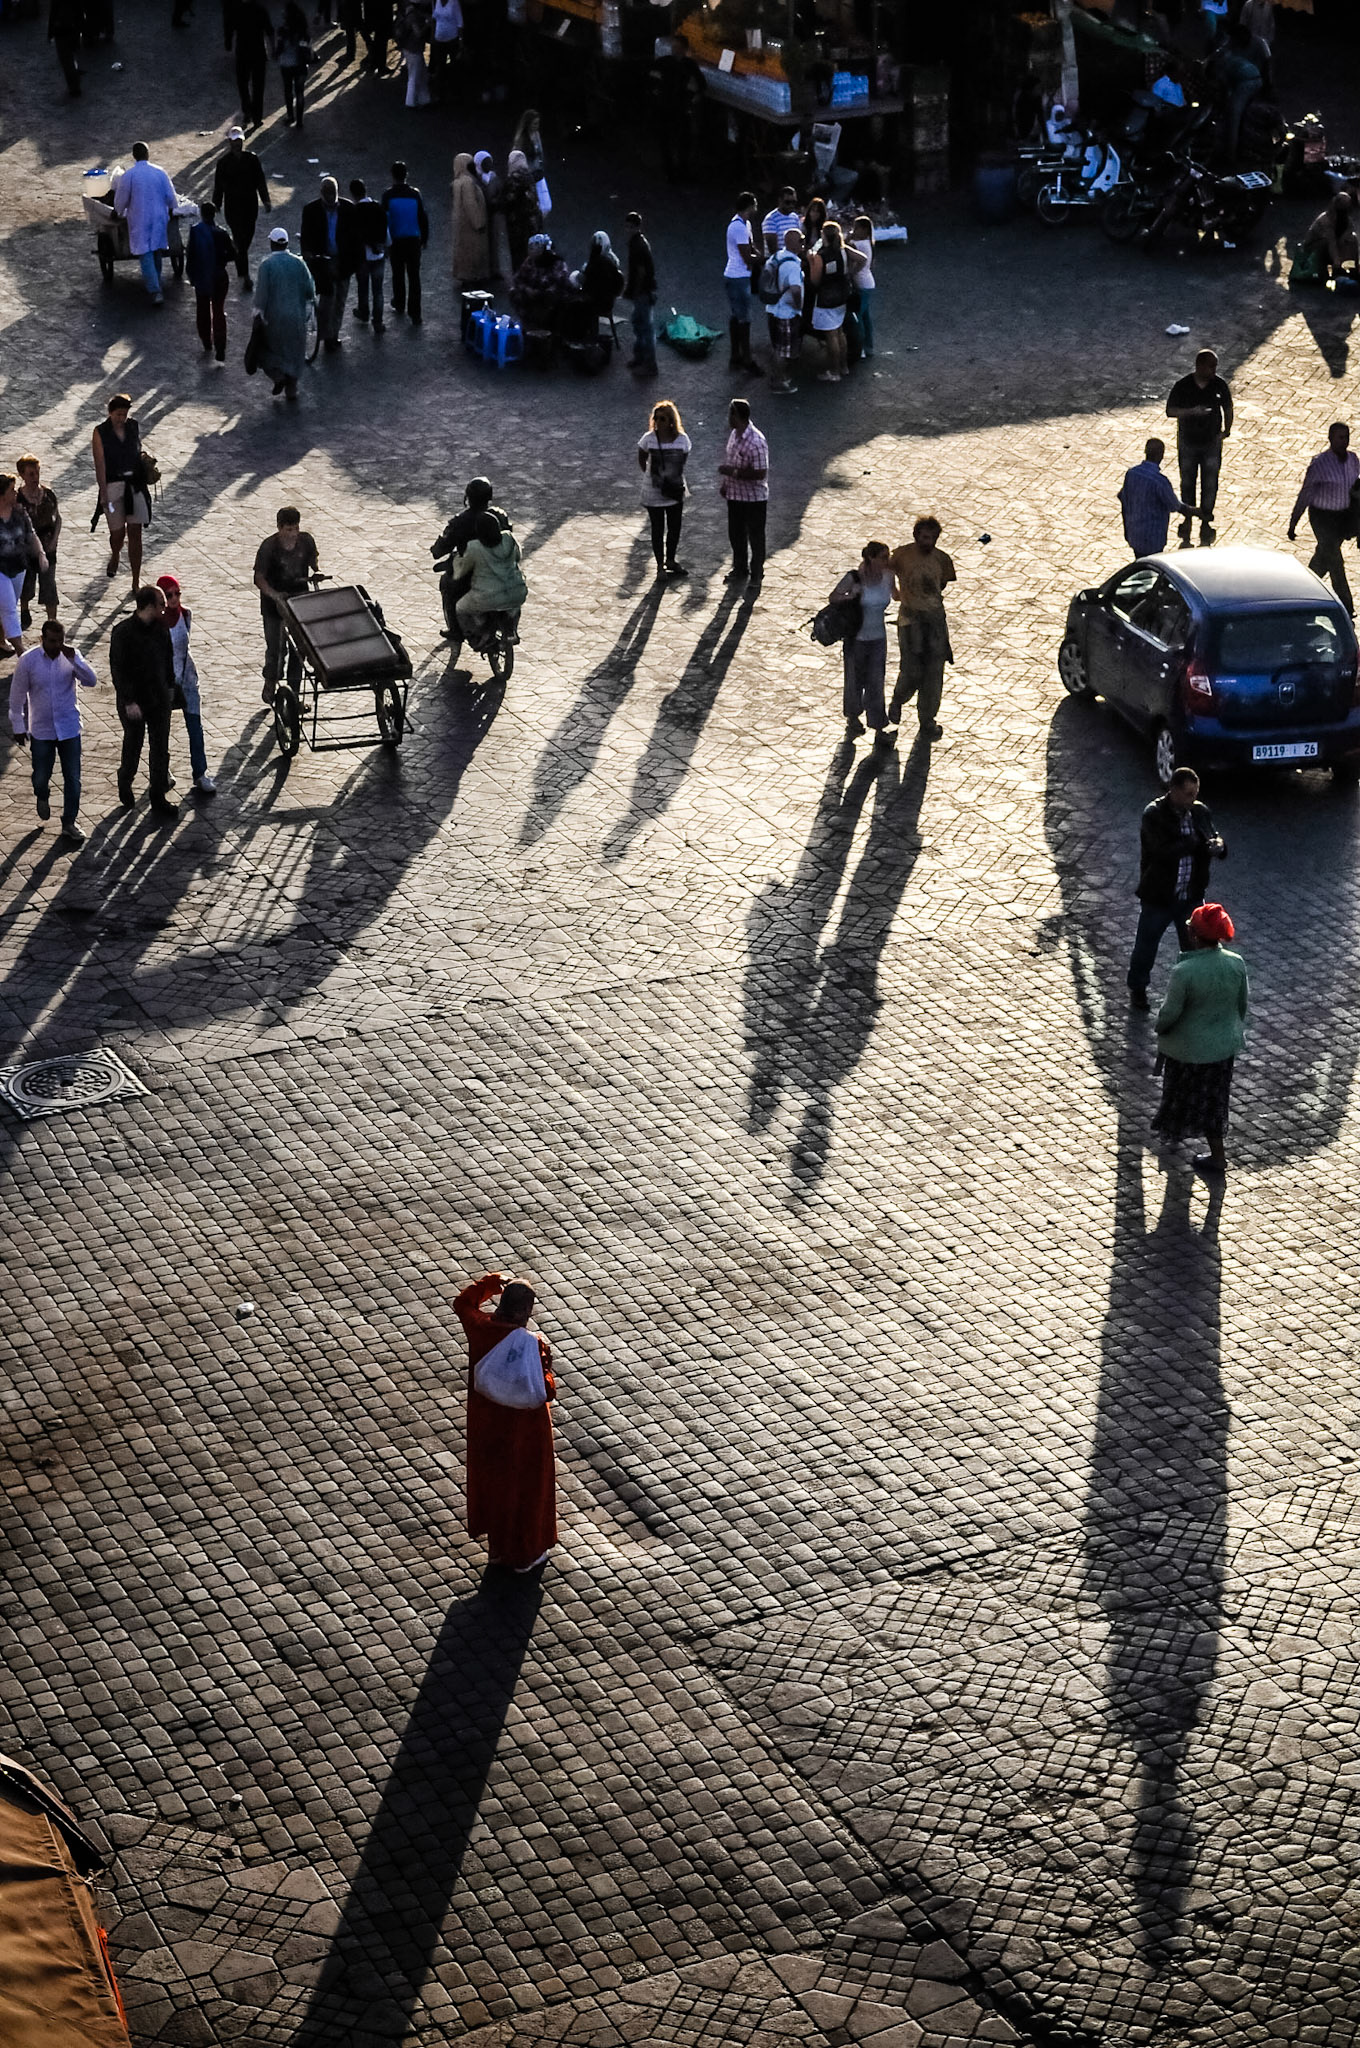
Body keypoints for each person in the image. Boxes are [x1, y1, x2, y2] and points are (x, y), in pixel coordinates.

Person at [453, 1272, 557, 1573]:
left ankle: (498, 1549)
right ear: (527, 1311)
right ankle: (524, 1554)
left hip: (487, 1425)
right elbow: (546, 1389)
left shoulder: (481, 1329)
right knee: (526, 1490)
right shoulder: (532, 1345)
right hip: (526, 1432)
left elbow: (463, 1303)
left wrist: (490, 1282)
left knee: (497, 1486)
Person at [1151, 900, 1248, 1178]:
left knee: (1178, 1093)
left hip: (1188, 1050)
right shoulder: (1236, 963)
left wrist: (1159, 1026)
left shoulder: (1185, 972)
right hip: (1222, 1049)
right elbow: (1242, 1005)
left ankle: (1175, 1137)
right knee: (1214, 1101)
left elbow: (1170, 1013)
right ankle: (1217, 1155)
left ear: (1194, 935)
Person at [1126, 766, 1227, 1007]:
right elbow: (1159, 852)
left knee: (1194, 949)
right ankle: (1138, 988)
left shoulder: (1200, 812)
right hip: (1159, 896)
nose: (1193, 799)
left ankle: (1194, 991)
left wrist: (1219, 846)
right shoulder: (1154, 815)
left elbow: (1213, 835)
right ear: (1174, 791)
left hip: (1190, 896)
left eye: (1196, 793)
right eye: (1188, 794)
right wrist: (1193, 842)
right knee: (1146, 946)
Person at [9, 622, 98, 846]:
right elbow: (17, 695)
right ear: (42, 639)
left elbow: (91, 680)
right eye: (51, 641)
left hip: (69, 728)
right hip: (42, 729)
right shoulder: (28, 661)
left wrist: (74, 659)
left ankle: (69, 822)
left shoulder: (71, 657)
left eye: (60, 641)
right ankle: (42, 793)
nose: (56, 646)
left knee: (73, 779)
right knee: (41, 775)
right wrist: (18, 726)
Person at [109, 586, 177, 819]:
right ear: (148, 606)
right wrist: (128, 701)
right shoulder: (122, 632)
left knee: (160, 750)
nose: (165, 607)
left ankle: (158, 797)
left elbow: (168, 660)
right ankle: (125, 780)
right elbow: (118, 671)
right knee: (133, 745)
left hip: (158, 698)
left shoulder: (161, 629)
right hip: (134, 701)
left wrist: (170, 689)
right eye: (161, 603)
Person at [889, 516, 955, 740]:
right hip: (910, 622)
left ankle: (927, 720)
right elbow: (887, 571)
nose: (929, 542)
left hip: (935, 622)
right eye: (925, 537)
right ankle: (898, 700)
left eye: (933, 538)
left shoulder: (942, 560)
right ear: (916, 536)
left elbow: (942, 585)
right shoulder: (901, 556)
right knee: (912, 669)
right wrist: (896, 593)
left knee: (934, 673)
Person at [1288, 422, 1359, 616]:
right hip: (1322, 517)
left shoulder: (1353, 460)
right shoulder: (1320, 464)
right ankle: (1347, 606)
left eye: (1346, 437)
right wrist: (1294, 521)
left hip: (1342, 518)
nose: (1344, 442)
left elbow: (1354, 489)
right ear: (1330, 439)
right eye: (1340, 438)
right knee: (1335, 560)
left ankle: (1300, 592)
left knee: (1323, 558)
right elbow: (1306, 493)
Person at [830, 541, 895, 747]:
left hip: (878, 638)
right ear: (871, 558)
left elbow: (897, 595)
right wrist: (850, 595)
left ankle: (878, 724)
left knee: (876, 681)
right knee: (855, 680)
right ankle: (853, 717)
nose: (887, 561)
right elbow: (833, 598)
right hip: (856, 638)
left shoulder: (888, 576)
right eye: (883, 557)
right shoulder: (854, 577)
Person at [431, 478, 510, 645]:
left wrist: (436, 551)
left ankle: (455, 631)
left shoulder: (460, 521)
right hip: (498, 570)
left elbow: (444, 544)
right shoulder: (500, 516)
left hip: (469, 573)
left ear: (468, 496)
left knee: (448, 587)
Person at [155, 574, 215, 795]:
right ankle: (163, 771)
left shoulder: (186, 615)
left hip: (187, 677)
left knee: (195, 726)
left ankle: (200, 773)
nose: (173, 599)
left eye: (176, 593)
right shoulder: (157, 623)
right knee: (162, 730)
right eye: (168, 595)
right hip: (165, 681)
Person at [1167, 348, 1233, 543]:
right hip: (1188, 442)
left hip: (1211, 442)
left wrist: (1226, 430)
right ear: (1200, 366)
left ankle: (1205, 518)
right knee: (1187, 481)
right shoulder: (1183, 386)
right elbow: (1170, 410)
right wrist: (1191, 412)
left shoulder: (1219, 385)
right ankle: (1187, 517)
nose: (1214, 370)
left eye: (1215, 366)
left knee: (1210, 482)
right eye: (1211, 366)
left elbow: (1228, 408)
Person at [253, 506, 319, 702]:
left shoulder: (306, 541)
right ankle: (271, 681)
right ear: (279, 528)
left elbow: (313, 560)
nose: (293, 534)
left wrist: (316, 571)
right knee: (276, 648)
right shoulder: (268, 548)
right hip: (274, 606)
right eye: (288, 529)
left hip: (298, 602)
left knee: (299, 649)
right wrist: (275, 595)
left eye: (295, 529)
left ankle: (294, 694)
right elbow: (259, 578)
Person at [92, 394, 150, 589]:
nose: (121, 418)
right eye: (118, 414)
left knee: (136, 533)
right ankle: (116, 553)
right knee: (117, 534)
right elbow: (100, 464)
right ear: (110, 413)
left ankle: (135, 580)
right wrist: (103, 492)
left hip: (134, 484)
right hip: (113, 486)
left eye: (124, 414)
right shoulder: (100, 432)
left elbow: (137, 449)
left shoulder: (133, 426)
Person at [253, 226, 316, 399]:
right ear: (287, 243)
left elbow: (261, 295)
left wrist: (258, 316)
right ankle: (292, 389)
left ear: (271, 244)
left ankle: (278, 376)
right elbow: (310, 290)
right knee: (295, 353)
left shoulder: (266, 265)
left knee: (269, 352)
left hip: (274, 320)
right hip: (296, 317)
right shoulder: (299, 263)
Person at [114, 143, 178, 305]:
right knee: (156, 250)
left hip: (140, 218)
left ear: (134, 156)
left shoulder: (129, 175)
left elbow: (121, 200)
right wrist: (171, 210)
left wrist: (117, 211)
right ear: (148, 154)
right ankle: (156, 283)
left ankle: (155, 290)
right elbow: (171, 197)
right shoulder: (160, 172)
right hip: (158, 217)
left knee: (146, 253)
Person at [718, 397, 769, 592]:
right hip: (735, 496)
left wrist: (733, 473)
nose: (728, 417)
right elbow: (731, 459)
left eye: (730, 413)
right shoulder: (734, 435)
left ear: (737, 416)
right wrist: (726, 484)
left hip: (754, 499)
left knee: (756, 538)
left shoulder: (756, 442)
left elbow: (760, 473)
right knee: (736, 535)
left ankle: (756, 574)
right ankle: (740, 568)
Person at [213, 127, 271, 292]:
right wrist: (216, 204)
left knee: (247, 236)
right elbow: (218, 186)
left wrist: (265, 199)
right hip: (233, 207)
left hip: (250, 206)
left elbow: (260, 180)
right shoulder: (223, 164)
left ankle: (235, 251)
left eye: (239, 141)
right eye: (234, 141)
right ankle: (245, 275)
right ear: (230, 142)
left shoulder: (252, 159)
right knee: (240, 238)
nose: (237, 144)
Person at [637, 399, 690, 580]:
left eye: (663, 419)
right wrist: (653, 476)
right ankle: (660, 565)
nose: (658, 422)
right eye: (656, 418)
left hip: (674, 490)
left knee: (674, 528)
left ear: (671, 421)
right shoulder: (649, 439)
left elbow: (683, 460)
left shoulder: (682, 440)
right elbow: (642, 457)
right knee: (657, 529)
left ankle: (671, 560)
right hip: (654, 492)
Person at [455, 512, 527, 643]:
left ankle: (479, 633)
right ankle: (511, 630)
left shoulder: (474, 547)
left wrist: (456, 561)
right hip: (515, 592)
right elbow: (517, 557)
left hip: (485, 597)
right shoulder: (509, 538)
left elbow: (462, 570)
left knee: (460, 608)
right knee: (514, 607)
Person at [807, 220, 864, 384]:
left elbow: (815, 281)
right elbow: (863, 258)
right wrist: (850, 273)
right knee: (840, 333)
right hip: (843, 296)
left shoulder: (821, 256)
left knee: (831, 336)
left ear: (823, 236)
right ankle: (844, 366)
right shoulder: (843, 250)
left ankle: (834, 371)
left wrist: (811, 262)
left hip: (826, 299)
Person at [1119, 437, 1197, 556]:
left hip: (1134, 533)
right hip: (1153, 538)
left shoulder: (1131, 473)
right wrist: (1196, 512)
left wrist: (1126, 527)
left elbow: (1123, 500)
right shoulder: (1160, 482)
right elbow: (1175, 505)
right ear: (1161, 455)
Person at [301, 175, 353, 350]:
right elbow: (306, 237)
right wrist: (309, 255)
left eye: (333, 194)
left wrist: (352, 263)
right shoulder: (310, 210)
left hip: (343, 262)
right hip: (322, 262)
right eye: (328, 194)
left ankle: (333, 335)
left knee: (340, 300)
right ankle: (326, 335)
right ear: (322, 193)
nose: (331, 198)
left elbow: (355, 238)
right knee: (328, 300)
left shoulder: (348, 209)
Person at [0, 477, 44, 662]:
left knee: (7, 605)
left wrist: (41, 554)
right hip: (0, 569)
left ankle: (1, 638)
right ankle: (22, 653)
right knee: (9, 608)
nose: (15, 493)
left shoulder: (20, 514)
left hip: (18, 567)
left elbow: (31, 535)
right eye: (11, 490)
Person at [186, 200, 235, 364]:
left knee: (203, 309)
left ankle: (206, 341)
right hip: (219, 276)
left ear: (202, 213)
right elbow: (233, 254)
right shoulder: (222, 232)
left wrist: (191, 275)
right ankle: (220, 346)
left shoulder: (195, 231)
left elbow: (191, 255)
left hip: (201, 276)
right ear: (214, 214)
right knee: (219, 310)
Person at [16, 458, 60, 631]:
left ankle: (52, 621)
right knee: (27, 583)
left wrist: (54, 540)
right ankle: (25, 608)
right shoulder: (18, 498)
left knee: (49, 584)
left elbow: (58, 518)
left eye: (37, 472)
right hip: (27, 550)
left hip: (47, 547)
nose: (35, 477)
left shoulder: (48, 495)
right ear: (22, 475)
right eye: (31, 474)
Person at [652, 32, 702, 182]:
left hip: (680, 107)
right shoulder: (664, 62)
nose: (675, 49)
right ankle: (669, 170)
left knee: (683, 141)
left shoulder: (690, 65)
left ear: (685, 49)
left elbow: (700, 85)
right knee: (666, 140)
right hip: (665, 105)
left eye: (678, 47)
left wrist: (693, 97)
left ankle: (682, 170)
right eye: (673, 46)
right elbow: (651, 76)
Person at [382, 160, 428, 324]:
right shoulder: (415, 194)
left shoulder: (388, 195)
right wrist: (424, 238)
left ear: (392, 176)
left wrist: (384, 243)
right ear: (406, 175)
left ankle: (399, 302)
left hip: (396, 241)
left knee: (398, 274)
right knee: (414, 277)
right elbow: (422, 217)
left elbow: (384, 221)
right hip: (413, 240)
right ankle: (416, 313)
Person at [723, 191, 762, 376]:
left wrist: (756, 253)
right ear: (750, 206)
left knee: (736, 316)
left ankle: (735, 355)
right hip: (739, 276)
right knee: (744, 319)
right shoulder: (738, 227)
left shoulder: (743, 223)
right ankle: (747, 359)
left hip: (737, 275)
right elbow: (747, 256)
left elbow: (751, 245)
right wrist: (761, 259)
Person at [763, 226, 804, 398]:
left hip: (772, 309)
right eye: (801, 241)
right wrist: (799, 305)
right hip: (785, 312)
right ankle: (779, 381)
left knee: (776, 346)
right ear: (794, 244)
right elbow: (795, 290)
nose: (803, 244)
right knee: (783, 351)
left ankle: (776, 376)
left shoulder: (777, 257)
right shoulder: (792, 265)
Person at [348, 179, 388, 331]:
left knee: (363, 287)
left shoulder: (354, 211)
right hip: (379, 255)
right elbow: (386, 231)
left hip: (362, 256)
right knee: (378, 291)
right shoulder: (378, 207)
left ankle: (363, 312)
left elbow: (353, 236)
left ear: (353, 194)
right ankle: (378, 321)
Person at [510, 235, 569, 333]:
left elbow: (558, 288)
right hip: (532, 295)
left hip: (548, 300)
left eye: (533, 249)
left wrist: (538, 294)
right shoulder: (530, 261)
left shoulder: (558, 264)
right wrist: (526, 289)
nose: (530, 252)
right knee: (513, 292)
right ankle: (528, 322)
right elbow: (517, 279)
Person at [230, 0, 275, 128]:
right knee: (258, 86)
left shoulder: (238, 9)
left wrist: (228, 41)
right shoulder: (261, 9)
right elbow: (269, 30)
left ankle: (247, 110)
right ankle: (257, 117)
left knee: (242, 83)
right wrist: (273, 48)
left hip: (243, 52)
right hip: (258, 52)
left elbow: (230, 27)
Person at [1299, 192, 1359, 285]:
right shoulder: (1325, 220)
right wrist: (1336, 262)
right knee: (1326, 242)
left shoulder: (1345, 220)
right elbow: (1331, 242)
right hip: (1313, 250)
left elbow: (1349, 233)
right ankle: (1329, 269)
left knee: (1353, 238)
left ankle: (1354, 270)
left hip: (1331, 248)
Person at [623, 210, 657, 374]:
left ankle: (648, 362)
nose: (628, 230)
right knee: (641, 324)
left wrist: (634, 290)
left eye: (630, 227)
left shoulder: (637, 246)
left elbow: (641, 271)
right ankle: (642, 358)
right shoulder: (639, 243)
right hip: (644, 291)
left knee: (644, 327)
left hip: (642, 292)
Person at [451, 151, 489, 285]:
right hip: (470, 227)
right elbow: (470, 204)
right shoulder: (467, 182)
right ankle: (471, 275)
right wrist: (479, 222)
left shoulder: (458, 181)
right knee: (471, 251)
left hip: (462, 224)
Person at [503, 150, 542, 274]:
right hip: (532, 224)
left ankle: (520, 278)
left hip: (517, 225)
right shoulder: (530, 178)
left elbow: (508, 200)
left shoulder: (513, 180)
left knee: (518, 254)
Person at [276, 0, 311, 125]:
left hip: (286, 65)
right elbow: (306, 46)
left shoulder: (283, 30)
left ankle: (290, 116)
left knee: (288, 91)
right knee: (300, 92)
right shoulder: (303, 31)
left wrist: (275, 54)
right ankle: (300, 120)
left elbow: (279, 48)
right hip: (301, 65)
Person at [848, 216, 877, 359]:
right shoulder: (867, 243)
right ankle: (869, 346)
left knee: (858, 318)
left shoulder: (858, 244)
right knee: (865, 317)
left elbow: (846, 245)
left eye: (856, 228)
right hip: (868, 284)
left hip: (862, 285)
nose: (854, 231)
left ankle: (860, 348)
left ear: (864, 230)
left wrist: (847, 236)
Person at [396, 0, 431, 106]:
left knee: (421, 75)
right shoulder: (414, 17)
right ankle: (411, 101)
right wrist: (427, 25)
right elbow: (418, 34)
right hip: (414, 49)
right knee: (414, 76)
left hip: (408, 48)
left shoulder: (407, 13)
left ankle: (424, 98)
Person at [48, 0, 84, 96]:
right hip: (73, 28)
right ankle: (75, 83)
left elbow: (53, 12)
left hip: (61, 29)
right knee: (72, 55)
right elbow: (80, 10)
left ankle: (74, 87)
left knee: (65, 59)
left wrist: (50, 33)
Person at [429, 0, 461, 97]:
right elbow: (434, 18)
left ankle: (454, 92)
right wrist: (432, 36)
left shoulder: (454, 3)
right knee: (440, 66)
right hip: (439, 40)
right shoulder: (438, 2)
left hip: (452, 39)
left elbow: (460, 22)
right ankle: (440, 93)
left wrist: (460, 41)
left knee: (454, 65)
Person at [762, 184, 802, 256]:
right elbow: (773, 249)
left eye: (794, 202)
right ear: (780, 201)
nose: (791, 205)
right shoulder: (770, 219)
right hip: (777, 262)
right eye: (788, 202)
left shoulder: (795, 217)